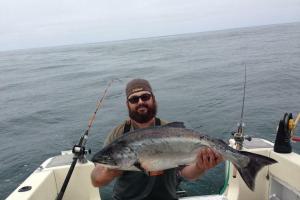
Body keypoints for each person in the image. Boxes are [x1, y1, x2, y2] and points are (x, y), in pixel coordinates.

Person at [91, 78, 223, 200]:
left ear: (153, 99)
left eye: (145, 97)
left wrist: (201, 166)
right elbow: (95, 180)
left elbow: (188, 174)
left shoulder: (172, 132)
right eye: (134, 99)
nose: (140, 102)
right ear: (128, 105)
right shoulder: (119, 134)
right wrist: (112, 170)